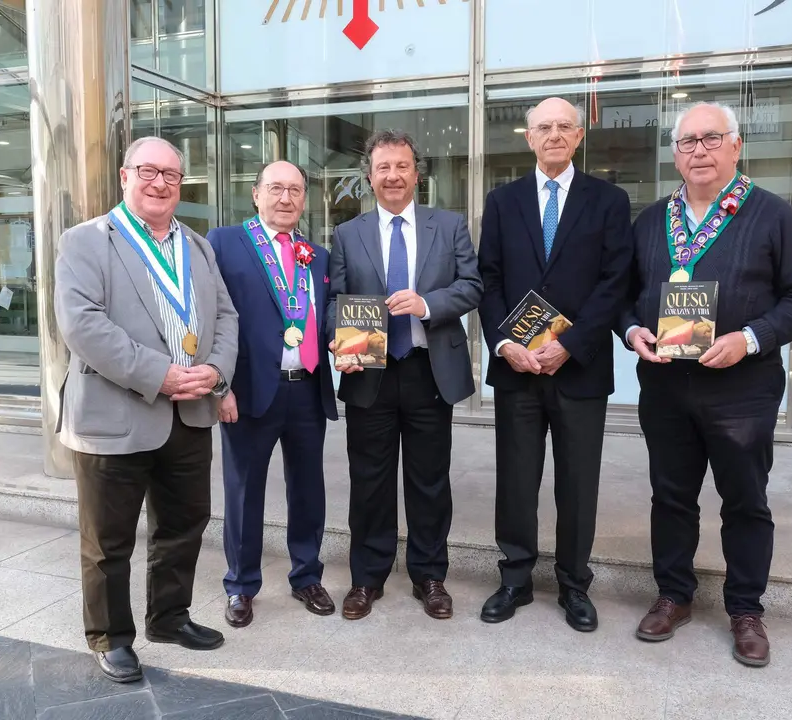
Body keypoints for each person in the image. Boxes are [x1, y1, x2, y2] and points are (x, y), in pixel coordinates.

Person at [622, 102, 792, 667]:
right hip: (664, 387)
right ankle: (673, 595)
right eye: (687, 143)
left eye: (711, 139)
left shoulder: (771, 215)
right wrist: (633, 329)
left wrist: (751, 337)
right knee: (670, 497)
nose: (699, 152)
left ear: (736, 146)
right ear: (675, 154)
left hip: (742, 388)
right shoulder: (650, 221)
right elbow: (623, 295)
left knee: (744, 500)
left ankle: (745, 609)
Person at [54, 136, 238, 683]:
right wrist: (159, 374)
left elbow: (225, 318)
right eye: (149, 172)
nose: (160, 183)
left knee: (183, 524)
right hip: (116, 415)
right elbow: (83, 325)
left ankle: (169, 617)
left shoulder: (198, 247)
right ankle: (110, 636)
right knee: (108, 539)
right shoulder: (86, 241)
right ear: (124, 175)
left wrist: (216, 372)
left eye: (172, 175)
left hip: (189, 413)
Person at [477, 97, 633, 632]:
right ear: (528, 137)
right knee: (516, 480)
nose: (554, 135)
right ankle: (515, 578)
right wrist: (504, 344)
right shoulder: (502, 201)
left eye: (564, 126)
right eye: (544, 127)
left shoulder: (609, 200)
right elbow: (489, 280)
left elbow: (616, 282)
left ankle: (573, 584)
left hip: (580, 368)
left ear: (579, 135)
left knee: (577, 482)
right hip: (518, 367)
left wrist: (571, 342)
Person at [326, 129, 482, 621]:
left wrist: (428, 303)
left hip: (427, 371)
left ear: (417, 172)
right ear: (369, 177)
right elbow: (334, 301)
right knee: (368, 479)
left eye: (402, 166)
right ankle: (367, 578)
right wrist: (340, 339)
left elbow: (472, 285)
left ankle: (430, 576)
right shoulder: (347, 234)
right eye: (383, 168)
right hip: (370, 372)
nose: (393, 175)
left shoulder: (449, 225)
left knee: (429, 480)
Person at [208, 161, 338, 628]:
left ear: (304, 199)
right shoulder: (223, 243)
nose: (286, 198)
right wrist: (218, 386)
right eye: (276, 188)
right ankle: (241, 585)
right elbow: (211, 319)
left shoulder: (316, 254)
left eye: (295, 190)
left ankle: (307, 576)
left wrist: (345, 341)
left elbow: (322, 319)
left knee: (308, 489)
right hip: (246, 392)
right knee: (244, 491)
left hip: (306, 389)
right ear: (255, 194)